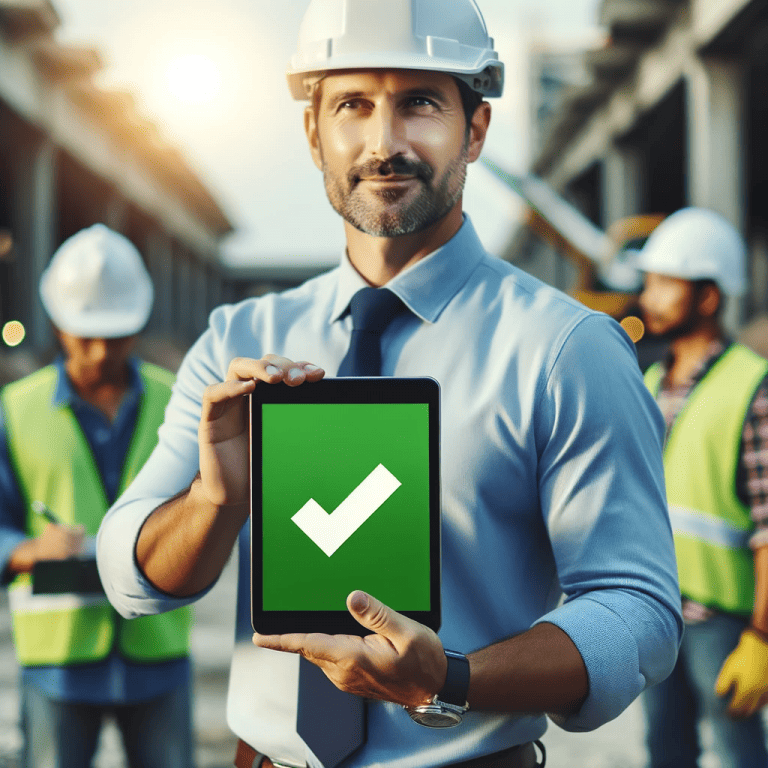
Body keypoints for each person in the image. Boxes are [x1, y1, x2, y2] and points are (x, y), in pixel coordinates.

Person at [96, 2, 683, 767]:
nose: (384, 143)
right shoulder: (239, 341)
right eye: (352, 105)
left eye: (420, 103)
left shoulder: (567, 349)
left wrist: (453, 679)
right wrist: (215, 502)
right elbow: (131, 576)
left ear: (475, 129)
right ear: (314, 133)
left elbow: (638, 613)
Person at [0, 224, 195, 768]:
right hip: (58, 660)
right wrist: (26, 550)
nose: (100, 350)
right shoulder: (15, 409)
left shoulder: (179, 401)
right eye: (86, 335)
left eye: (116, 334)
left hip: (157, 649)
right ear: (59, 324)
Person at [636, 207, 768, 768]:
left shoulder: (751, 387)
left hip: (722, 622)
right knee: (664, 753)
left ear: (709, 298)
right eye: (649, 280)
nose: (649, 296)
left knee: (739, 756)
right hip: (655, 614)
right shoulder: (645, 382)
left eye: (667, 283)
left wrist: (761, 637)